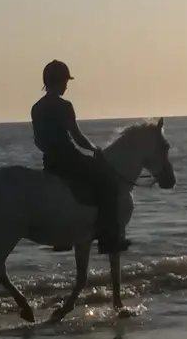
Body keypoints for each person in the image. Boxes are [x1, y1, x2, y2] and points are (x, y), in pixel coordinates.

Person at [30, 60, 128, 254]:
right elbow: (77, 136)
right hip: (69, 159)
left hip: (50, 162)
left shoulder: (37, 107)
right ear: (59, 82)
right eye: (65, 81)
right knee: (108, 181)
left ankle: (62, 237)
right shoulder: (64, 105)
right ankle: (107, 237)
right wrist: (94, 149)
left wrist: (51, 151)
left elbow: (38, 141)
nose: (67, 85)